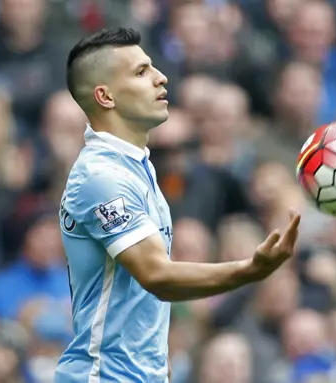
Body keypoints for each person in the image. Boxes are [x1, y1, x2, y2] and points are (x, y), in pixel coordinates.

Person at [56, 27, 301, 383]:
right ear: (105, 96)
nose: (161, 78)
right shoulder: (101, 176)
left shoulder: (137, 166)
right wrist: (249, 270)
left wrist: (155, 356)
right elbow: (157, 275)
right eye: (141, 72)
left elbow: (134, 293)